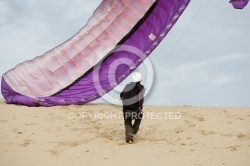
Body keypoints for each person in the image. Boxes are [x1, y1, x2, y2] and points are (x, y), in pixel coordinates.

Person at [120, 72, 145, 144]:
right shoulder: (141, 87)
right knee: (139, 117)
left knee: (127, 121)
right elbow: (140, 98)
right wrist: (140, 107)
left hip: (126, 109)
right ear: (140, 79)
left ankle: (129, 139)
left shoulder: (127, 86)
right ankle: (133, 131)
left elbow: (121, 95)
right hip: (136, 109)